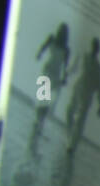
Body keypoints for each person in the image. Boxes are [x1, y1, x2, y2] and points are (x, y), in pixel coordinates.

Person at [29, 23, 70, 154]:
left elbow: (42, 48)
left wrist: (39, 54)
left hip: (48, 72)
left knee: (43, 99)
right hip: (55, 76)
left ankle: (37, 123)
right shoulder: (66, 49)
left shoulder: (53, 39)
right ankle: (39, 123)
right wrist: (64, 79)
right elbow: (65, 67)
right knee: (46, 102)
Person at [63, 37, 100, 155]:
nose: (94, 48)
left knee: (80, 122)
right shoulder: (83, 56)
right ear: (91, 46)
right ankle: (69, 138)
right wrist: (66, 74)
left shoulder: (98, 68)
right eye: (93, 45)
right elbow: (73, 68)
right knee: (69, 112)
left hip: (87, 97)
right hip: (77, 89)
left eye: (96, 47)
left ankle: (71, 146)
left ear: (98, 50)